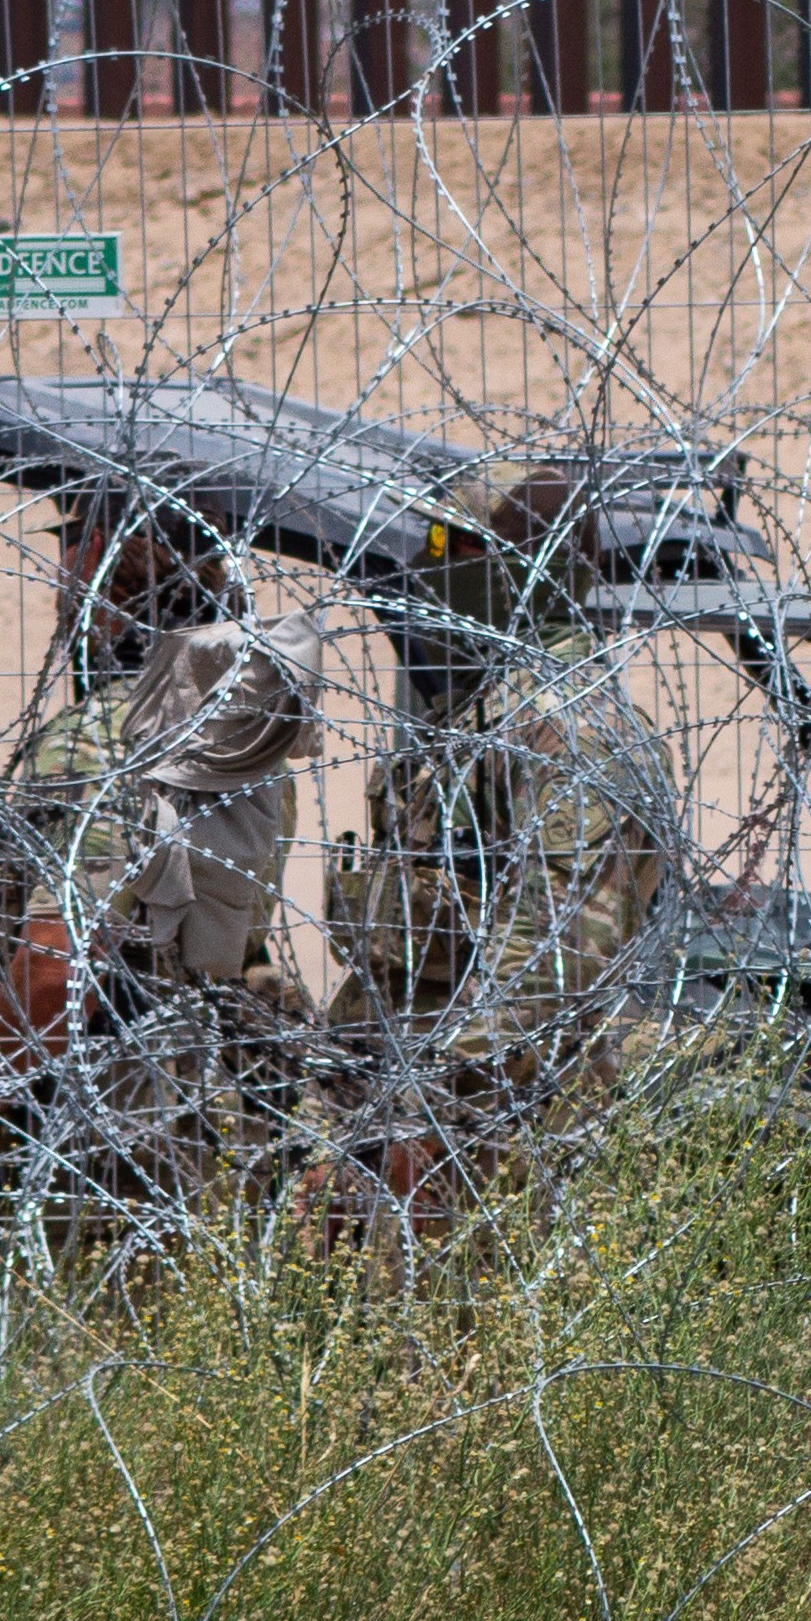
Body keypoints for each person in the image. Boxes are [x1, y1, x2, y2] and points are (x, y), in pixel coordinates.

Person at [324, 465, 677, 1234]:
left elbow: (557, 950)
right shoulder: (487, 714)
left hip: (490, 1134)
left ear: (520, 571)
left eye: (453, 548)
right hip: (415, 1109)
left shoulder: (570, 727)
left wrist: (424, 1117)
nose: (431, 571)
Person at [0, 492, 321, 1214]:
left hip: (91, 1131)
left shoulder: (104, 740)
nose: (61, 580)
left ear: (104, 573)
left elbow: (57, 967)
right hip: (201, 1111)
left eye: (73, 554)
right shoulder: (240, 733)